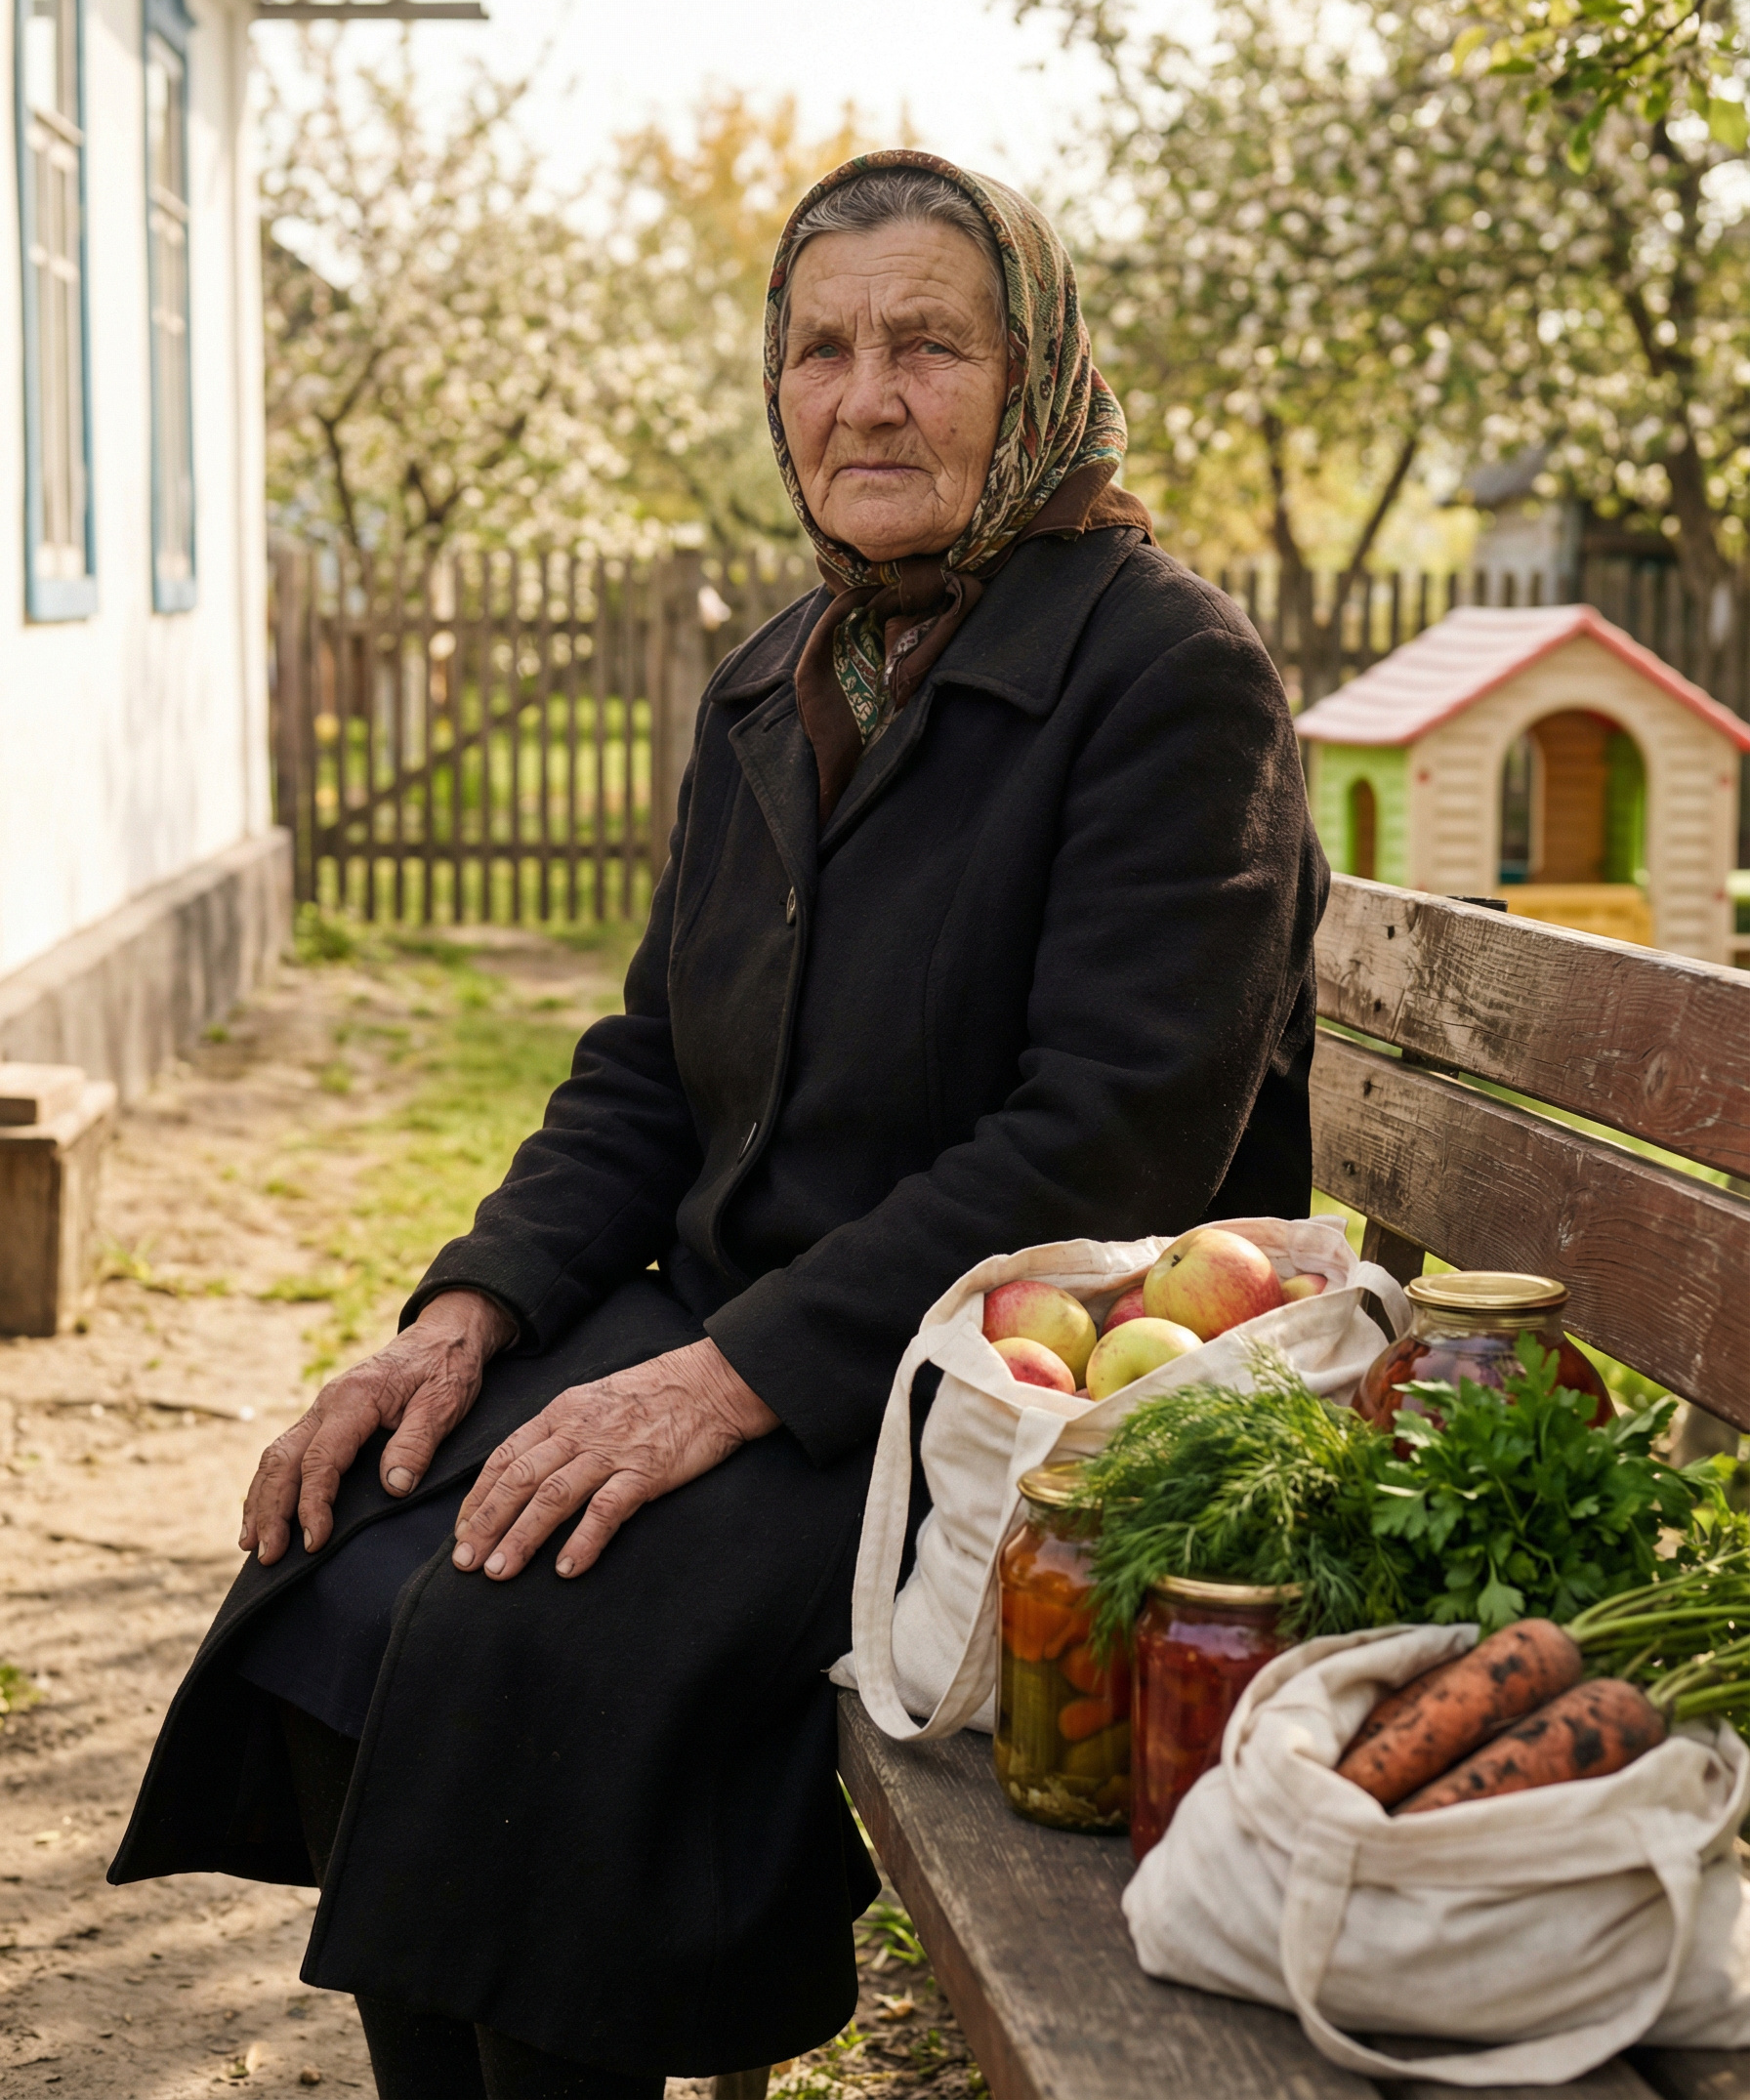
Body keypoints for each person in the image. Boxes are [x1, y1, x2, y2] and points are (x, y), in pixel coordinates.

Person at [110, 150, 1327, 2099]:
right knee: (336, 1576)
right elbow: (648, 1060)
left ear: (1030, 377)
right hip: (743, 1328)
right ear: (772, 387)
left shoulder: (1165, 677)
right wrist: (470, 1313)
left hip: (990, 1385)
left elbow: (1115, 1140)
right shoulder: (782, 670)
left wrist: (728, 1380)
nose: (865, 397)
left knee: (531, 1650)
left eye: (927, 344)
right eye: (820, 347)